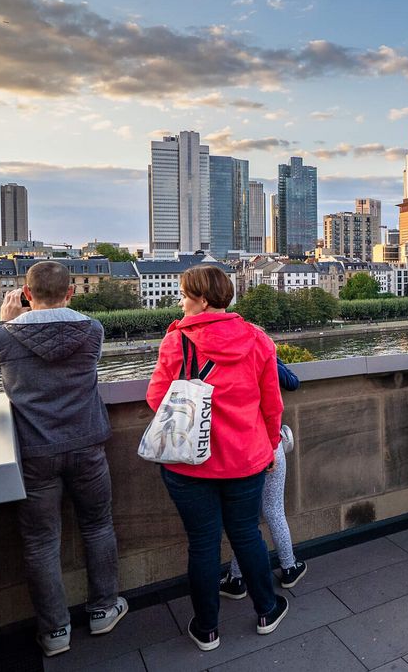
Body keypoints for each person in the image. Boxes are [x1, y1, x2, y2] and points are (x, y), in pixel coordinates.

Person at [0, 261, 126, 657]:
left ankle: (56, 632)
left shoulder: (1, 335)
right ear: (71, 292)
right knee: (98, 526)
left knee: (41, 542)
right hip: (88, 443)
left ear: (25, 292)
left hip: (35, 451)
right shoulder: (92, 330)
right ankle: (104, 609)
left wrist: (5, 322)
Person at [146, 265, 287, 652]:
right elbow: (272, 404)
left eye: (184, 295)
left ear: (202, 300)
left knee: (203, 544)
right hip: (245, 457)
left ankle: (207, 628)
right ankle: (267, 610)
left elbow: (157, 400)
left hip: (189, 463)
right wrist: (271, 443)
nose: (180, 301)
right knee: (247, 535)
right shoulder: (258, 339)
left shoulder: (176, 342)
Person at [219, 357, 305, 600]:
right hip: (268, 444)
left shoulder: (225, 363)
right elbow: (292, 382)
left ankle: (236, 578)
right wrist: (274, 356)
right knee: (274, 510)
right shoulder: (261, 357)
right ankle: (289, 567)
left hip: (238, 450)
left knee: (245, 521)